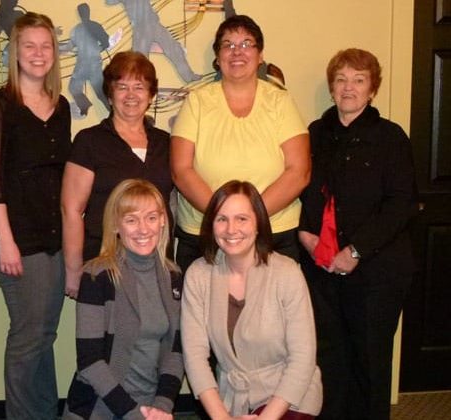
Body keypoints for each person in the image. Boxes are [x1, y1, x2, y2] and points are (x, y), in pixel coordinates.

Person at [298, 48, 417, 420]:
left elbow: (401, 204)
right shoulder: (315, 134)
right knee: (330, 357)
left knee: (369, 361)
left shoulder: (390, 137)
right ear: (332, 88)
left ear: (372, 89)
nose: (348, 87)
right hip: (321, 268)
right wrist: (306, 233)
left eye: (359, 79)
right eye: (341, 79)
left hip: (377, 272)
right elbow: (302, 187)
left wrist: (356, 250)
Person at [0, 12, 71, 420]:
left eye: (45, 45)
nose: (37, 53)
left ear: (54, 52)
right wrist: (7, 241)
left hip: (53, 236)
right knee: (28, 337)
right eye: (28, 45)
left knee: (43, 336)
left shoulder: (61, 106)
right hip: (17, 240)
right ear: (15, 52)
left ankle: (45, 412)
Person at [171, 15, 310, 273]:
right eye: (228, 45)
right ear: (218, 56)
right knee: (205, 313)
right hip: (204, 236)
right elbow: (181, 170)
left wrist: (248, 219)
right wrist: (224, 220)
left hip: (273, 234)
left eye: (246, 44)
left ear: (260, 56)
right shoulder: (197, 102)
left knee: (270, 313)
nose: (237, 52)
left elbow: (299, 171)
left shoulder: (281, 101)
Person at [181, 180, 322, 420]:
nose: (231, 229)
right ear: (211, 225)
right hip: (231, 402)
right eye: (221, 219)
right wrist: (222, 418)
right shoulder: (198, 274)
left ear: (258, 224)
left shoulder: (286, 272)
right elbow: (194, 356)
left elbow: (303, 358)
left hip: (289, 398)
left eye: (242, 219)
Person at [63, 178, 183, 420]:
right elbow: (90, 361)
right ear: (116, 225)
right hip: (99, 407)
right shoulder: (96, 275)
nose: (143, 229)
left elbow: (175, 351)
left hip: (151, 409)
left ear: (162, 221)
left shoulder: (174, 276)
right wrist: (132, 413)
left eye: (151, 217)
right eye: (131, 219)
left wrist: (161, 407)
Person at [62, 51, 173, 298]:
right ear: (110, 95)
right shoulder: (89, 141)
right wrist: (73, 270)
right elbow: (71, 209)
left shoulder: (166, 143)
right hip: (104, 264)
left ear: (151, 95)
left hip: (157, 264)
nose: (131, 95)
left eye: (139, 87)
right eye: (122, 87)